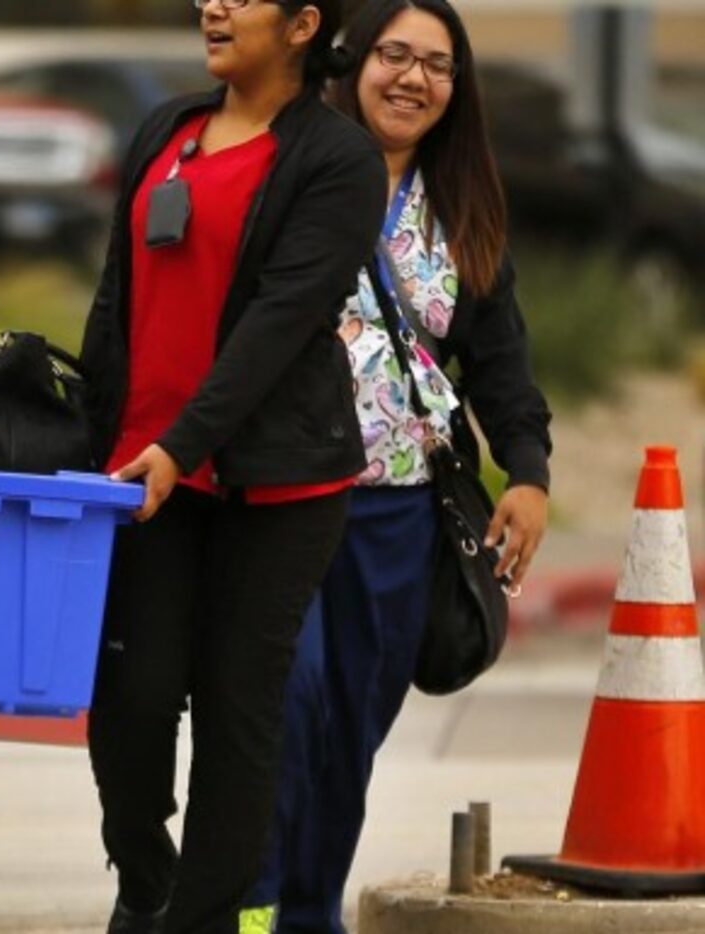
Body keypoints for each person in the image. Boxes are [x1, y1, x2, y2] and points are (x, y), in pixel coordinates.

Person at [77, 0, 386, 929]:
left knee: (236, 710)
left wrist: (185, 443)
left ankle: (199, 918)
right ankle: (144, 877)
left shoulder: (337, 159)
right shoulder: (165, 128)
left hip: (276, 484)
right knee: (129, 698)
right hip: (142, 477)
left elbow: (280, 324)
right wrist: (95, 438)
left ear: (301, 24)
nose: (212, 5)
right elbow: (115, 291)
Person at [243, 2, 552, 931]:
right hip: (279, 502)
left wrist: (528, 473)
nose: (412, 79)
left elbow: (499, 360)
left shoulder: (459, 208)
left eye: (435, 65)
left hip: (396, 520)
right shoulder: (286, 171)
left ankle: (308, 915)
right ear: (352, 61)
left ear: (456, 90)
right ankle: (245, 911)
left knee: (347, 738)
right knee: (278, 717)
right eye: (393, 55)